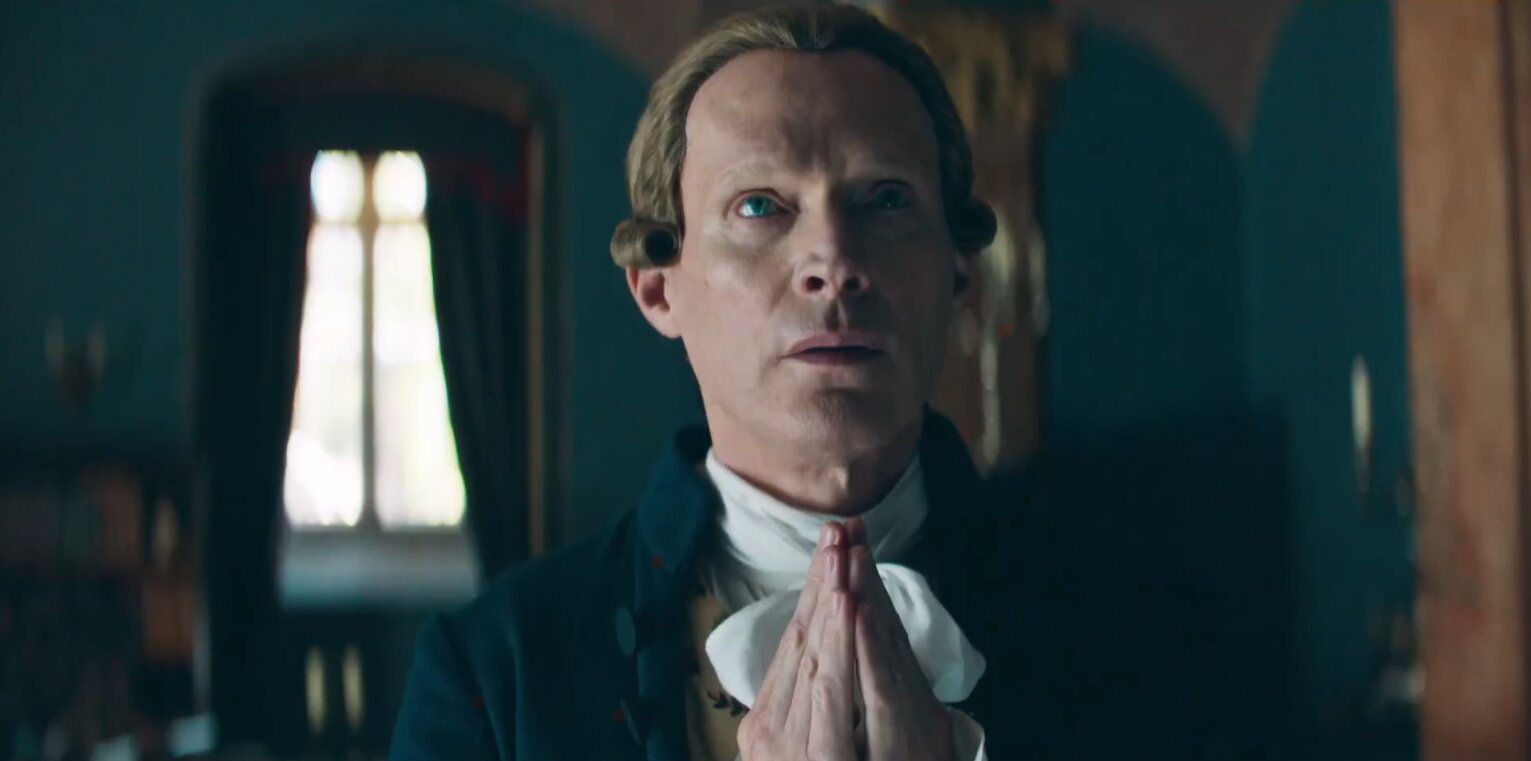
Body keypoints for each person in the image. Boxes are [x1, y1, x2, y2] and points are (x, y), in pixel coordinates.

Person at [390, 5, 1016, 760]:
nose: (832, 259)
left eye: (885, 198)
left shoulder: (1129, 617)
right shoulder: (494, 673)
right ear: (658, 288)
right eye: (759, 206)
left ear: (959, 272)